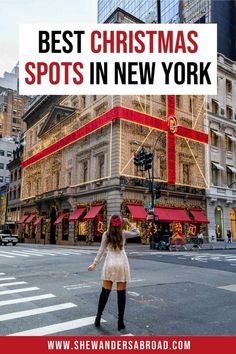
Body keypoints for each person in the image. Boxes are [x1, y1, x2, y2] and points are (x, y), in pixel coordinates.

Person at [88, 214, 140, 331]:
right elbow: (137, 232)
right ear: (120, 223)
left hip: (110, 263)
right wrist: (128, 223)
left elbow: (101, 250)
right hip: (122, 263)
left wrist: (94, 264)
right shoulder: (123, 233)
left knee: (105, 292)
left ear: (110, 222)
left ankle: (98, 317)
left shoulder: (106, 234)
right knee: (121, 294)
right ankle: (120, 322)